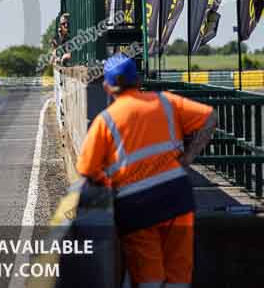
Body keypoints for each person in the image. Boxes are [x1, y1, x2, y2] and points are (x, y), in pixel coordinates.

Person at [77, 53, 217, 287]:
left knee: (149, 278)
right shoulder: (165, 102)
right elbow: (210, 117)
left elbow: (87, 169)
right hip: (177, 196)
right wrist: (187, 158)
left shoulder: (106, 120)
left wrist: (110, 181)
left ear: (107, 86)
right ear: (139, 80)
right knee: (178, 276)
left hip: (136, 204)